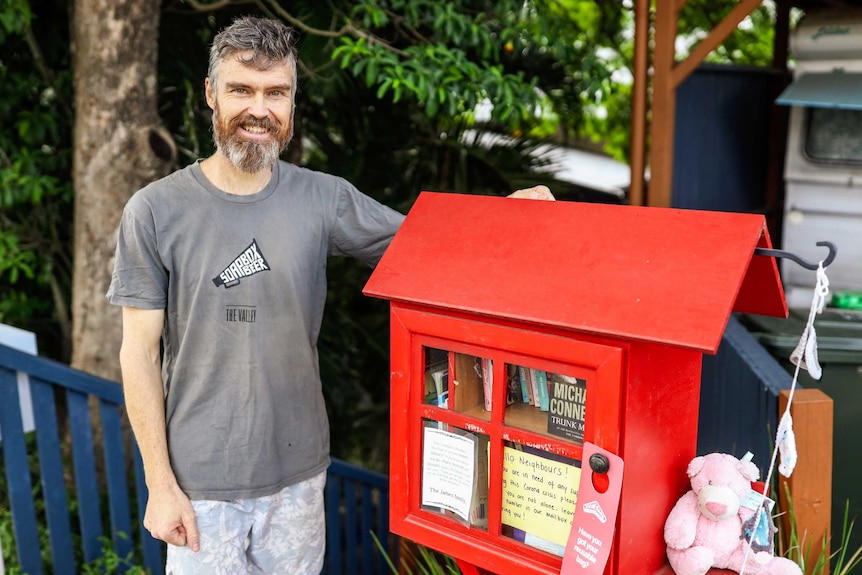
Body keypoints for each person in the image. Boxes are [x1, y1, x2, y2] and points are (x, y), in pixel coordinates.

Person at [107, 15, 553, 575]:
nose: (259, 109)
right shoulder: (154, 210)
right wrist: (161, 484)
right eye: (241, 89)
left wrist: (505, 217)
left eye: (276, 93)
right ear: (211, 96)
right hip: (199, 488)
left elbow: (425, 244)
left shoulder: (323, 199)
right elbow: (139, 354)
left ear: (292, 104)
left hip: (298, 478)